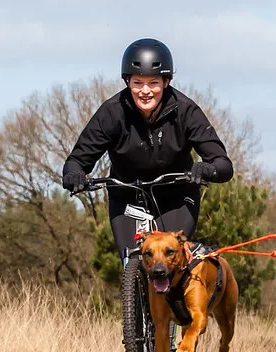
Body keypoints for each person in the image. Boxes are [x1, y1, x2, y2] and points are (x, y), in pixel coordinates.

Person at [61, 38, 234, 261]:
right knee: (132, 260)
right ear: (127, 82)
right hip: (127, 197)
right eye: (137, 83)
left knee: (170, 262)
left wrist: (207, 169)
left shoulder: (186, 111)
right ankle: (132, 291)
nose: (145, 91)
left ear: (166, 82)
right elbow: (77, 160)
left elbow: (223, 163)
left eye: (153, 83)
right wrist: (74, 174)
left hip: (177, 197)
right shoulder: (112, 113)